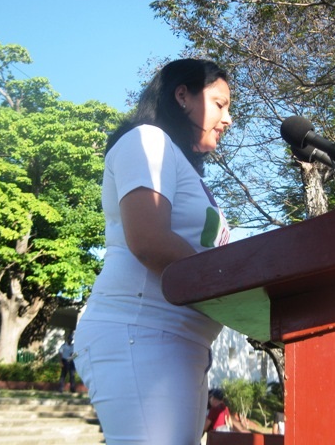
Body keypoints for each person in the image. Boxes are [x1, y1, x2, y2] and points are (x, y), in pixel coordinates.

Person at [73, 59, 232, 445]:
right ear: (182, 96)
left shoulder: (184, 168)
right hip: (139, 333)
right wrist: (234, 286)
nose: (228, 119)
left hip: (183, 345)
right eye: (219, 104)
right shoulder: (147, 140)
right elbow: (149, 239)